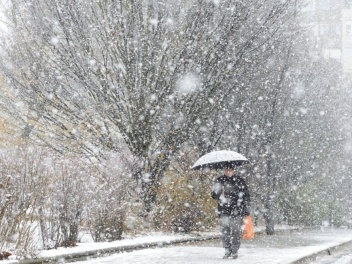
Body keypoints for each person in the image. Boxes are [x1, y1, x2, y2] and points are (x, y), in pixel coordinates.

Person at [211, 166, 250, 259]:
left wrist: (244, 208)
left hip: (237, 210)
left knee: (236, 231)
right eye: (226, 169)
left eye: (230, 169)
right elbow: (213, 195)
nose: (228, 171)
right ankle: (227, 249)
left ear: (233, 170)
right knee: (225, 231)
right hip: (223, 211)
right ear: (224, 170)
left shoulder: (239, 180)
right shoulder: (219, 180)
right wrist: (219, 192)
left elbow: (246, 196)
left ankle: (235, 249)